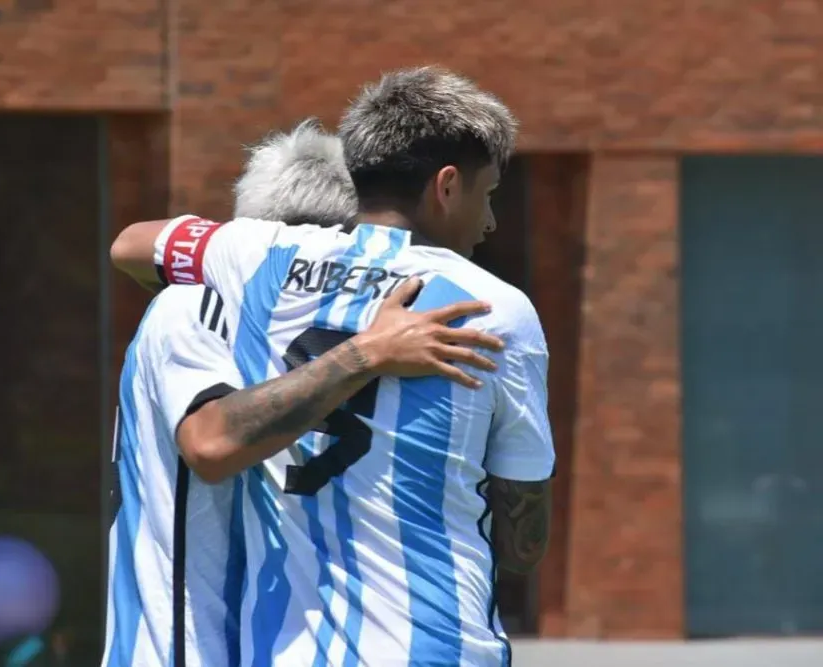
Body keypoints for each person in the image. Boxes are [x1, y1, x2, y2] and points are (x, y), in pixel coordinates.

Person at [111, 66, 554, 666]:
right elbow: (521, 544)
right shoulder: (493, 307)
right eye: (489, 193)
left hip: (286, 648)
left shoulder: (260, 254)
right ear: (446, 186)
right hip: (435, 645)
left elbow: (131, 244)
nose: (492, 220)